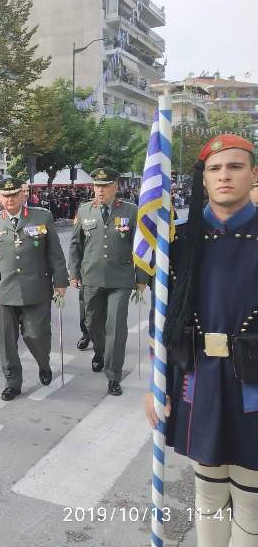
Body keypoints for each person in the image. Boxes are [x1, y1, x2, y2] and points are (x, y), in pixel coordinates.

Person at [145, 134, 258, 546]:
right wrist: (157, 386)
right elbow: (163, 321)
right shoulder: (178, 242)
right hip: (199, 378)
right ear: (204, 179)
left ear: (254, 174)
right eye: (215, 168)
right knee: (208, 490)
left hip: (254, 382)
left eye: (235, 166)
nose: (224, 175)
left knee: (250, 496)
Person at [0, 177, 69, 401]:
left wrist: (61, 282)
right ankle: (12, 382)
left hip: (36, 286)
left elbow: (54, 253)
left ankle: (43, 364)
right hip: (3, 289)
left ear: (22, 195)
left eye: (13, 195)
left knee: (36, 334)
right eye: (5, 196)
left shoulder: (41, 216)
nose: (9, 200)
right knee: (6, 340)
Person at [70, 167, 148, 396]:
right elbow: (75, 244)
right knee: (92, 322)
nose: (100, 190)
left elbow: (141, 247)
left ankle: (113, 374)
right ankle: (100, 352)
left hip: (120, 279)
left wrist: (141, 278)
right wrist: (74, 273)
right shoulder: (84, 211)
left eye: (105, 186)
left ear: (116, 187)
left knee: (116, 327)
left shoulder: (130, 210)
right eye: (96, 186)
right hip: (91, 276)